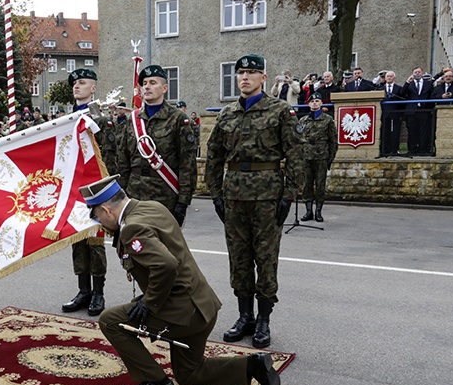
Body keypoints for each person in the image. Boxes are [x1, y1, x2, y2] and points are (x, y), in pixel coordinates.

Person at [82, 175, 280, 385]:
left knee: (110, 320)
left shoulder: (131, 228)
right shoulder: (152, 207)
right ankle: (252, 366)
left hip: (185, 313)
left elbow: (166, 264)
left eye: (97, 216)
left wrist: (149, 302)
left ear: (106, 210)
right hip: (203, 306)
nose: (99, 222)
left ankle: (157, 383)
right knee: (188, 373)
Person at [205, 54, 303, 349]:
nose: (244, 77)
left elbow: (296, 155)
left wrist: (289, 195)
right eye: (240, 73)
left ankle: (263, 319)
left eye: (251, 72)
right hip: (234, 196)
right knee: (239, 259)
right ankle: (244, 316)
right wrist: (215, 194)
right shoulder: (227, 115)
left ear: (263, 77)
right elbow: (213, 157)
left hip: (267, 196)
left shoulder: (280, 111)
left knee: (266, 259)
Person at [115, 64, 197, 226]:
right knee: (133, 245)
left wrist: (183, 202)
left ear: (164, 88)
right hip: (134, 194)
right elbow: (123, 161)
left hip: (165, 195)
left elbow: (187, 164)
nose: (147, 87)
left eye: (153, 83)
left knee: (162, 247)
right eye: (144, 83)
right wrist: (120, 195)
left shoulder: (178, 119)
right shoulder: (132, 120)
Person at [61, 68, 108, 316]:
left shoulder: (100, 118)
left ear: (93, 88)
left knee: (94, 241)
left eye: (82, 83)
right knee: (77, 239)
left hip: (96, 187)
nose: (76, 87)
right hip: (74, 187)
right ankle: (83, 290)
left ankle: (98, 293)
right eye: (74, 84)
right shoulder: (66, 120)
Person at [298, 93, 338, 222]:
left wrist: (330, 159)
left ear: (321, 103)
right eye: (312, 101)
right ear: (309, 104)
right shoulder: (303, 120)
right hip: (306, 156)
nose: (314, 103)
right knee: (307, 185)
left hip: (321, 156)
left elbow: (333, 141)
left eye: (317, 101)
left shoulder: (327, 120)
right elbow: (298, 139)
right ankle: (308, 211)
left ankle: (318, 212)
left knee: (320, 185)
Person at [402, 68, 434, 155]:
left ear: (422, 73)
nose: (417, 73)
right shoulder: (409, 84)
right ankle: (412, 150)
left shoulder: (428, 83)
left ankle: (423, 150)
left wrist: (428, 107)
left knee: (424, 131)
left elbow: (432, 95)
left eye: (419, 72)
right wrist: (407, 82)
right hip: (412, 111)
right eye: (415, 72)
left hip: (424, 110)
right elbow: (402, 93)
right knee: (412, 131)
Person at [380, 71, 406, 156]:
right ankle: (385, 150)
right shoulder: (380, 89)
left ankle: (394, 149)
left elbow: (403, 100)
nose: (389, 78)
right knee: (385, 131)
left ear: (394, 78)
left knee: (395, 132)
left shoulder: (399, 88)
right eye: (387, 76)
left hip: (396, 113)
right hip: (384, 114)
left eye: (391, 76)